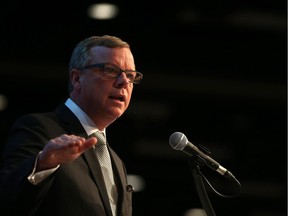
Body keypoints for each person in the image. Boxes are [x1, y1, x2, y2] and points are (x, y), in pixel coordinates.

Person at [0, 35, 143, 216]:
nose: (123, 81)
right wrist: (44, 164)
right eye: (110, 70)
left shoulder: (116, 161)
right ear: (76, 79)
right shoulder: (39, 129)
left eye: (130, 75)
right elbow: (8, 202)